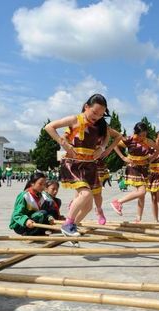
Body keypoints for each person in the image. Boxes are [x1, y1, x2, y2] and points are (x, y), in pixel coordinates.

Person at [45, 93, 122, 237]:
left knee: (88, 206)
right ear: (86, 107)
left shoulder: (101, 125)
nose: (97, 116)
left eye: (101, 114)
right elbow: (49, 127)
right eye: (94, 112)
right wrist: (64, 144)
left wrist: (103, 148)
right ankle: (67, 223)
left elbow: (113, 137)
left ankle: (72, 226)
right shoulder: (75, 119)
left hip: (90, 165)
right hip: (73, 163)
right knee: (85, 194)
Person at [111, 122, 159, 222]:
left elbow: (158, 150)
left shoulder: (148, 141)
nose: (142, 137)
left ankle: (138, 218)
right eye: (140, 135)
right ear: (135, 132)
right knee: (142, 191)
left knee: (142, 195)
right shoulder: (129, 139)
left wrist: (150, 159)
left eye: (144, 135)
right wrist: (123, 157)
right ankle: (118, 202)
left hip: (144, 168)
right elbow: (115, 144)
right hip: (133, 167)